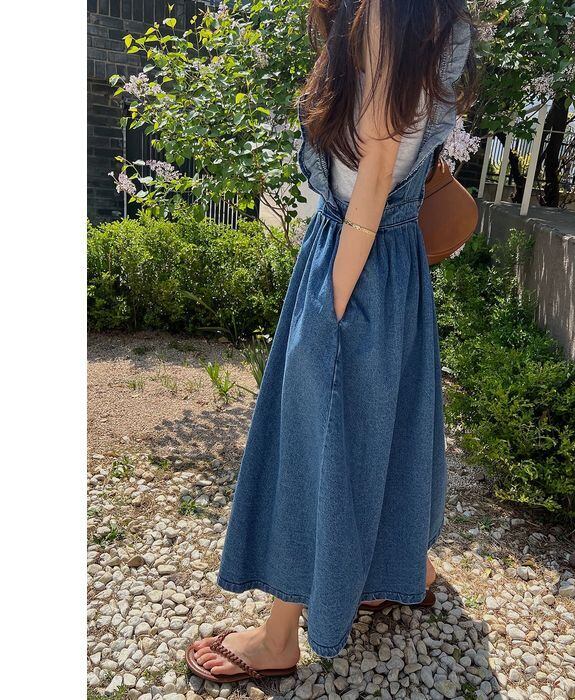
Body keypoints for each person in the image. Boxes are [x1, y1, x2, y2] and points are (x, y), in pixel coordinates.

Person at [186, 0, 477, 683]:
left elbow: (374, 172)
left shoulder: (384, 12)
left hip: (358, 252)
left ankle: (278, 638)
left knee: (317, 436)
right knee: (386, 426)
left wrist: (333, 304)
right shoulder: (441, 17)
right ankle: (405, 570)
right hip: (390, 257)